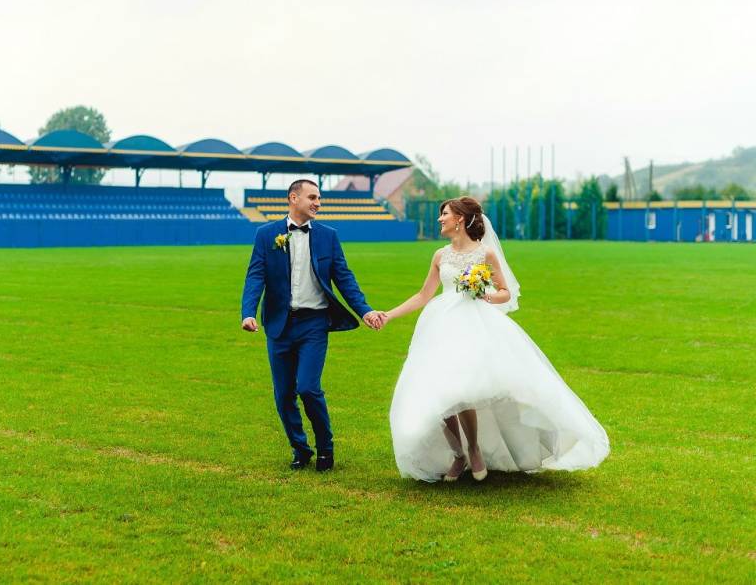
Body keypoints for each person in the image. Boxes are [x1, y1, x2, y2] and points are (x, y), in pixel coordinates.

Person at [380, 197, 609, 482]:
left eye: (445, 214)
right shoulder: (440, 255)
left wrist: (484, 294)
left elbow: (505, 292)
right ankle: (458, 453)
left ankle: (474, 448)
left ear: (460, 218)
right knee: (437, 388)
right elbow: (423, 295)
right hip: (440, 325)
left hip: (473, 324)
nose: (440, 219)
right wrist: (388, 315)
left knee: (462, 388)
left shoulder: (485, 254)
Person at [241, 179, 384, 471]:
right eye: (312, 197)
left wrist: (365, 310)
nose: (318, 203)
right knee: (283, 395)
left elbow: (344, 277)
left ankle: (325, 449)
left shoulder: (328, 236)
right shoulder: (266, 234)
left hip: (314, 324)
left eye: (319, 198)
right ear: (293, 198)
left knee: (307, 388)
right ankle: (300, 449)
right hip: (279, 325)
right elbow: (255, 275)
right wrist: (248, 312)